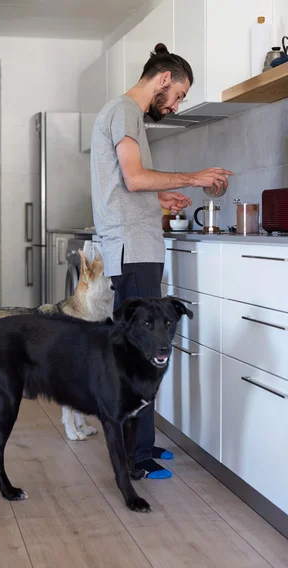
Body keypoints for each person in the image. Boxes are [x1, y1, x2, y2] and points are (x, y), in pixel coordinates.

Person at [90, 43, 232, 479]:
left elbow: (129, 185)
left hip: (133, 245)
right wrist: (195, 176)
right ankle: (136, 459)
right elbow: (133, 178)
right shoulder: (125, 111)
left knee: (138, 351)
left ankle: (142, 447)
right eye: (180, 95)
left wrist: (160, 198)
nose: (176, 106)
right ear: (164, 79)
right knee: (142, 354)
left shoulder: (123, 114)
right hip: (134, 249)